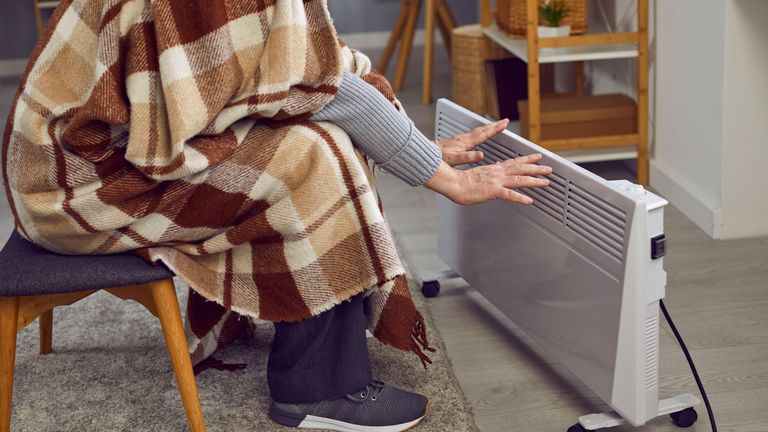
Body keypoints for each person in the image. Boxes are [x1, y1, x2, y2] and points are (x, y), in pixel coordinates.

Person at [2, 1, 550, 431]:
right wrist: (444, 177)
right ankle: (317, 389)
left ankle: (311, 340)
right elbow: (322, 89)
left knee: (319, 137)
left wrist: (413, 146)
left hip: (92, 161)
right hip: (81, 190)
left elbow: (321, 62)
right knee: (311, 156)